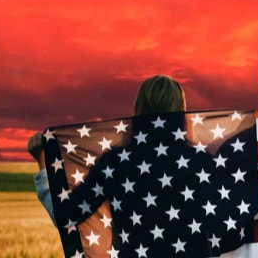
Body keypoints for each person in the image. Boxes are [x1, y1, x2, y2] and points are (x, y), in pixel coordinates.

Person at [27, 74, 187, 220]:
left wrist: (42, 164)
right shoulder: (200, 162)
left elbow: (66, 215)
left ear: (138, 110)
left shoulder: (115, 163)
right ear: (182, 113)